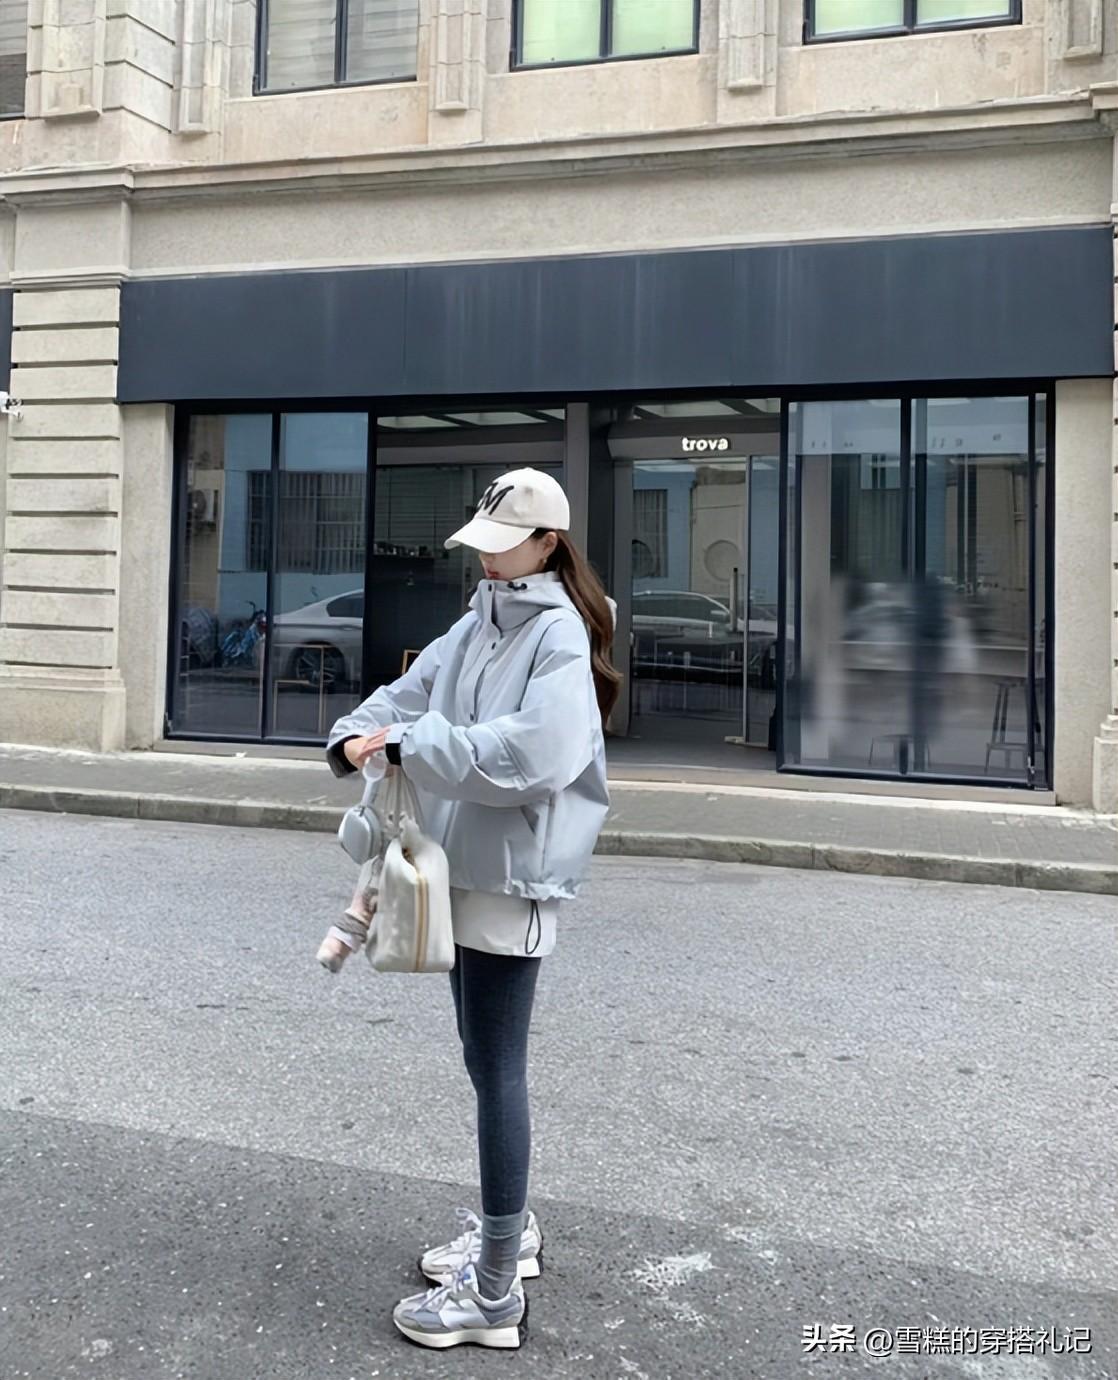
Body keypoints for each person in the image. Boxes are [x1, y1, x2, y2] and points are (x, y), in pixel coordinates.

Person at [324, 467, 621, 1351]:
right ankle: (508, 1234)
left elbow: (536, 753)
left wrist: (411, 742)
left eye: (504, 546)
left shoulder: (558, 631)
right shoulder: (481, 619)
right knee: (483, 1060)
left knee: (496, 1068)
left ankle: (494, 1291)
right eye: (482, 545)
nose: (488, 560)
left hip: (511, 877)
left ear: (548, 544)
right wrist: (354, 734)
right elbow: (409, 694)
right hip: (464, 866)